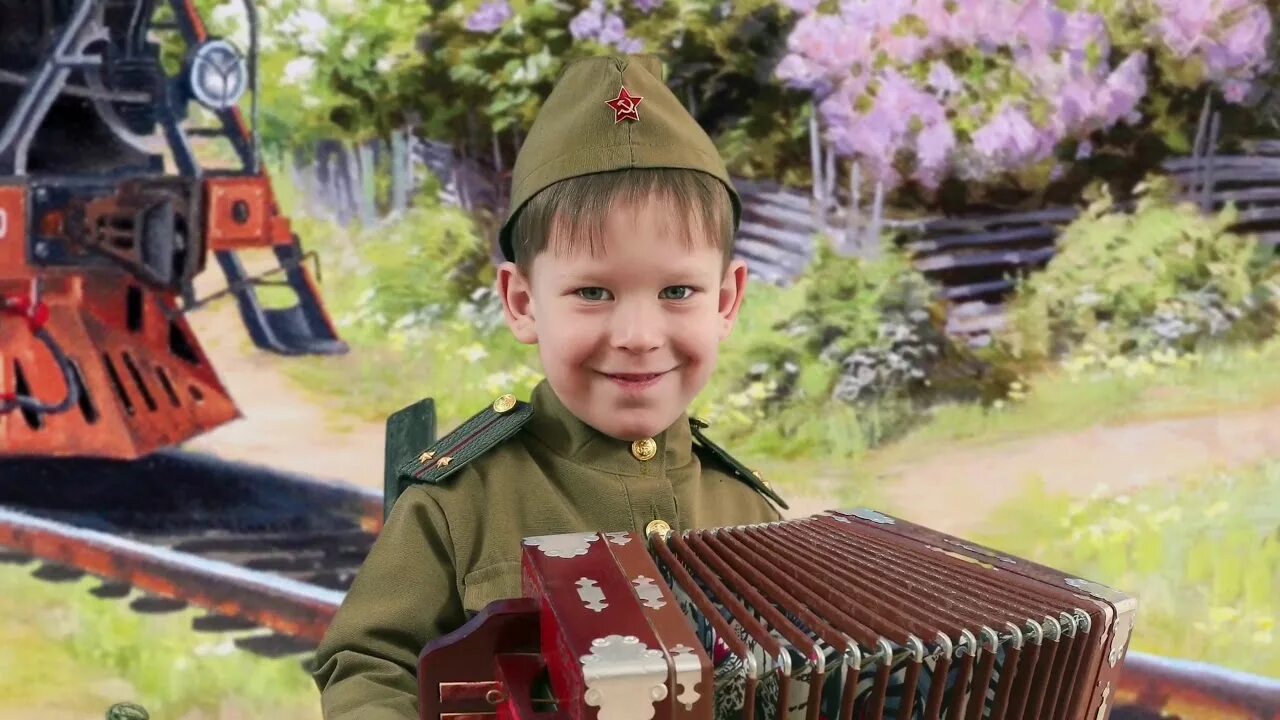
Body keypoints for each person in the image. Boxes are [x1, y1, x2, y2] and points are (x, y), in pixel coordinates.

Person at [311, 53, 789, 720]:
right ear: (523, 301)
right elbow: (366, 664)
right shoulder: (461, 504)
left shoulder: (749, 516)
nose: (639, 334)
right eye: (592, 292)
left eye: (678, 291)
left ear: (727, 299)